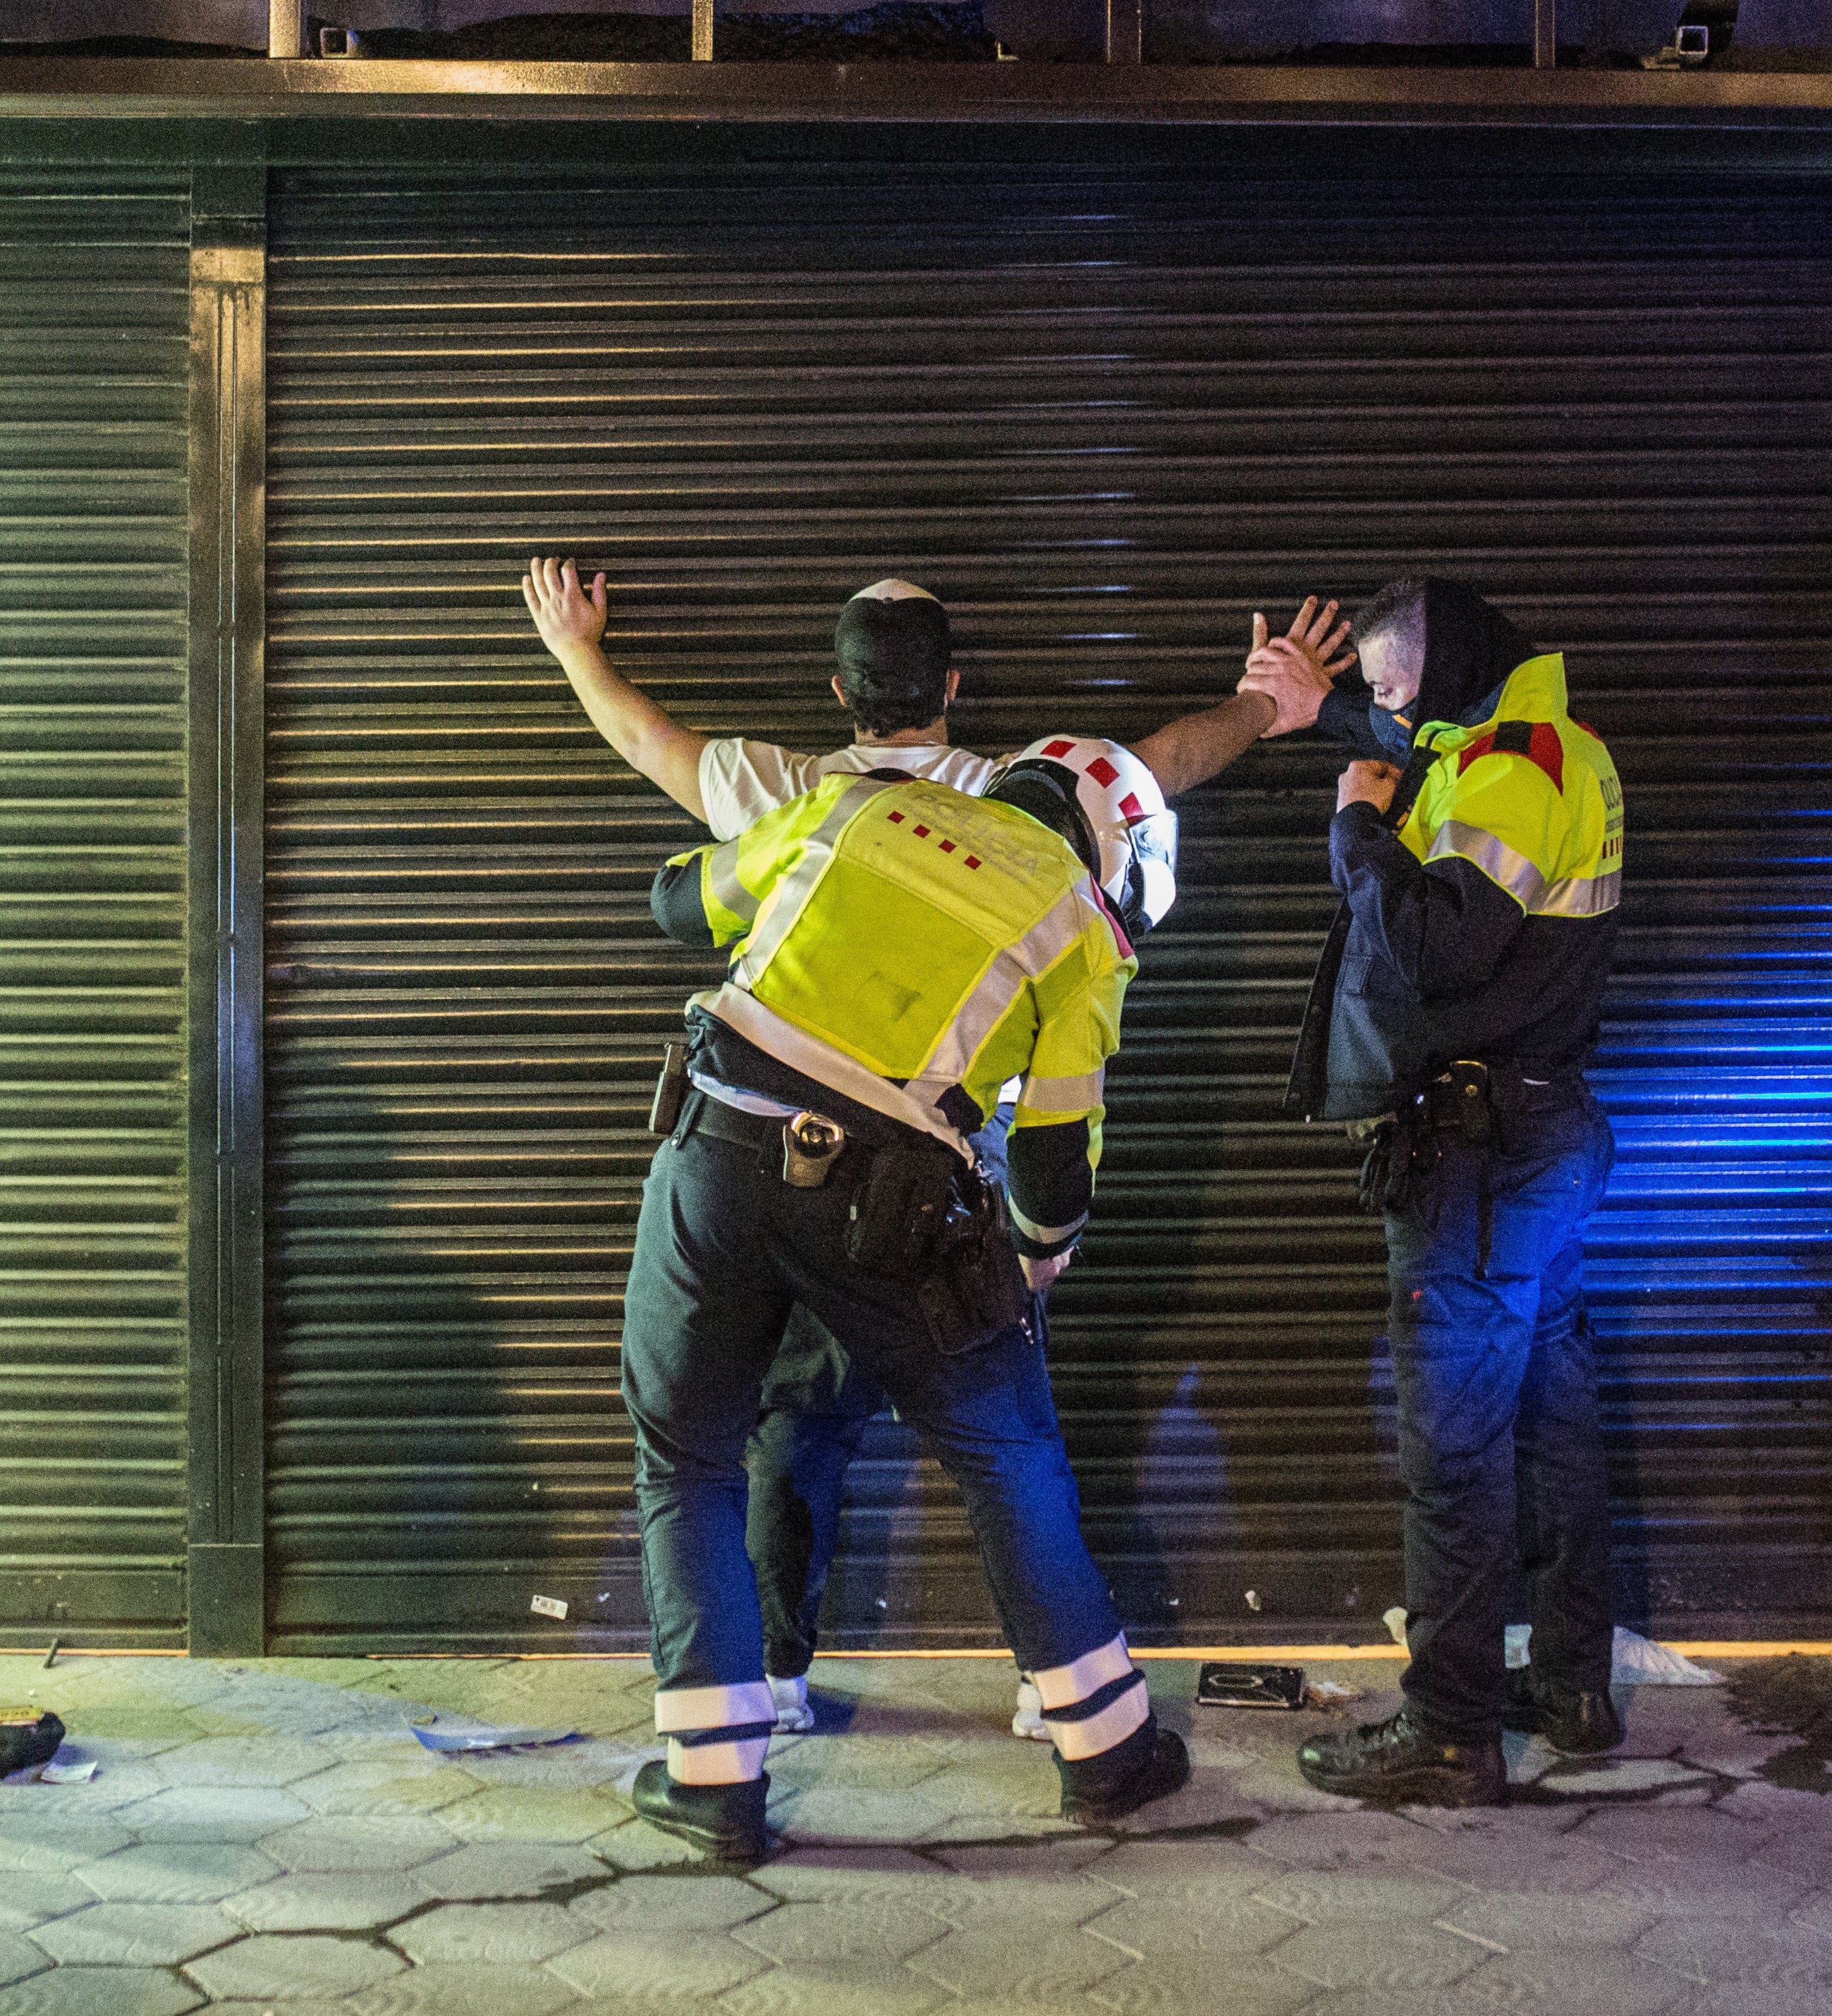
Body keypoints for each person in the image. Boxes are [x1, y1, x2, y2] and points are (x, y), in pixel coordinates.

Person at [523, 563, 1347, 1727]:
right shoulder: (1024, 802)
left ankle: (765, 1682)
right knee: (1008, 1446)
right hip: (954, 1183)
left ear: (836, 689)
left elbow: (653, 752)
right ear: (953, 685)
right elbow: (1159, 765)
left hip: (765, 1152)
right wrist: (1270, 701)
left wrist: (575, 651)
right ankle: (1062, 1697)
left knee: (781, 1432)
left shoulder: (803, 793)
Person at [623, 738, 1196, 1860]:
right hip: (894, 1205)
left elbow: (676, 905)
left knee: (687, 1460)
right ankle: (1109, 1753)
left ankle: (716, 1784)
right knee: (1007, 1454)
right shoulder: (1085, 927)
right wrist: (1034, 1258)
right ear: (1111, 844)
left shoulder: (851, 809)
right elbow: (1052, 1158)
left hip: (714, 1155)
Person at [1244, 578, 1626, 1808]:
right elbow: (1428, 752)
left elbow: (1434, 944)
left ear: (1445, 671)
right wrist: (1332, 716)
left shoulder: (1511, 769)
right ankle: (1571, 1690)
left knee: (1454, 1453)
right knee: (1549, 1424)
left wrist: (1355, 830)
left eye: (1394, 692)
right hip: (1539, 1139)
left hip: (1481, 1157)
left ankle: (1451, 1732)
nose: (1390, 726)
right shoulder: (1530, 744)